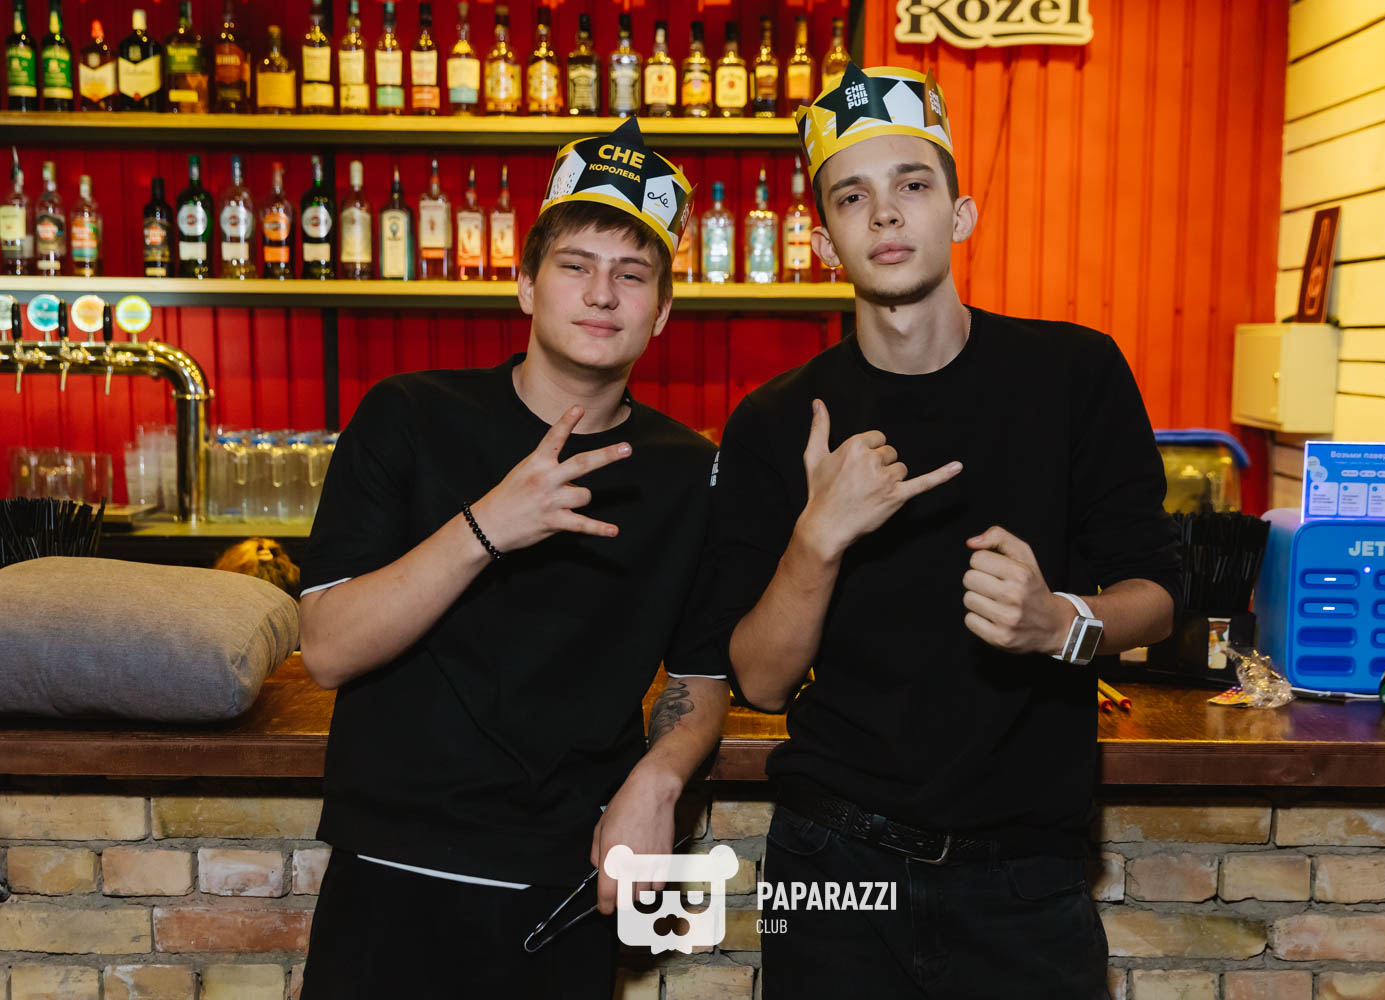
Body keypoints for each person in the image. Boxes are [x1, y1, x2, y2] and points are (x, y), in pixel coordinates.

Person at [703, 66, 1182, 998]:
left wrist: (1059, 624)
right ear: (821, 239)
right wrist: (817, 539)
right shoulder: (776, 420)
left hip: (1026, 870)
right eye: (853, 196)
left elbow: (1158, 595)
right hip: (830, 861)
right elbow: (759, 682)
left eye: (912, 185)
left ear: (960, 213)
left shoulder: (1074, 374)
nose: (885, 213)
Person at [296, 119, 728, 998]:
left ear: (662, 311)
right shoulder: (410, 415)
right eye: (576, 265)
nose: (602, 293)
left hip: (562, 886)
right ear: (526, 284)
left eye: (631, 274)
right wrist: (488, 524)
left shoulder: (693, 471)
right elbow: (328, 649)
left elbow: (702, 676)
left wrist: (658, 780)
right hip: (392, 872)